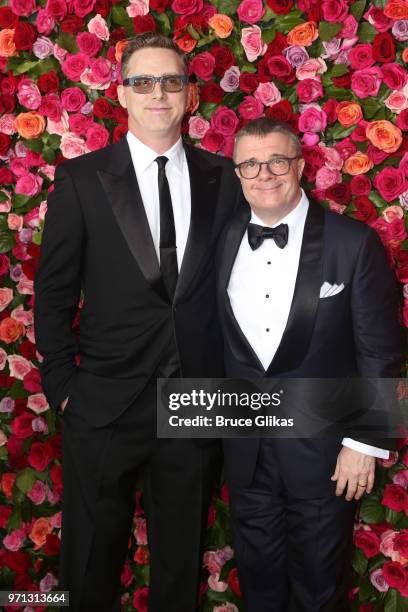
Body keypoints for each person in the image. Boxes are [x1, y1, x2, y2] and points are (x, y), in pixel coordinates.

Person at [34, 33, 240, 612]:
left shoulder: (226, 178)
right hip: (102, 402)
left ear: (191, 96)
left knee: (179, 565)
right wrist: (63, 388)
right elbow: (51, 295)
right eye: (144, 82)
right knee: (89, 563)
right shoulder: (81, 179)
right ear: (121, 94)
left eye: (171, 81)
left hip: (197, 400)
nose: (158, 93)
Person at [216, 118, 402, 611]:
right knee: (258, 584)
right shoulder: (220, 240)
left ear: (299, 165)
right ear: (237, 173)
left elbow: (381, 352)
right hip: (246, 451)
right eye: (250, 164)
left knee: (320, 589)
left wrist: (364, 443)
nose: (265, 174)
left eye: (277, 160)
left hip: (325, 453)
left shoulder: (352, 242)